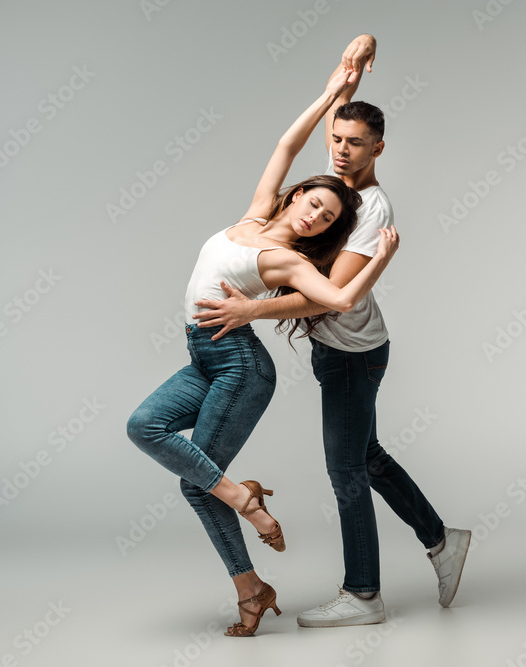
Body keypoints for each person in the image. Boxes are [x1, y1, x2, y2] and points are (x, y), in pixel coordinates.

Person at [192, 34, 471, 628]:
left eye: (356, 145)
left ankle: (364, 594)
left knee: (345, 470)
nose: (342, 152)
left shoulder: (370, 209)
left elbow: (335, 298)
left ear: (380, 148)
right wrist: (347, 72)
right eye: (337, 141)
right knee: (366, 457)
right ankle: (442, 540)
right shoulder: (325, 190)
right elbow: (292, 142)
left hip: (355, 351)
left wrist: (248, 312)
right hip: (334, 352)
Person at [126, 65, 400, 638]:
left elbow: (342, 298)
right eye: (312, 203)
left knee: (193, 479)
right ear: (296, 194)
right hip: (203, 355)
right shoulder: (255, 214)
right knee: (145, 425)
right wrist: (331, 94)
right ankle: (242, 500)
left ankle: (249, 587)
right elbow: (287, 143)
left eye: (326, 218)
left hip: (239, 366)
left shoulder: (291, 261)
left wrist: (380, 257)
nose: (314, 215)